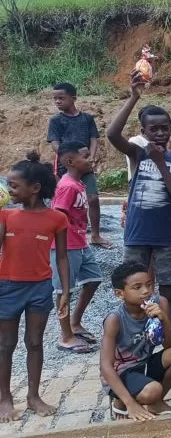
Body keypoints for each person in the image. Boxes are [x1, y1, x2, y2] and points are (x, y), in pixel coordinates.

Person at [107, 73, 171, 332]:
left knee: (169, 292)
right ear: (143, 132)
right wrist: (133, 97)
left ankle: (169, 342)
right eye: (154, 129)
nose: (161, 133)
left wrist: (162, 163)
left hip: (165, 236)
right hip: (136, 234)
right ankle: (136, 339)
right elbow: (112, 133)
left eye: (166, 127)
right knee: (133, 290)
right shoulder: (137, 153)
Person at [0, 153, 69, 422]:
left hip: (40, 287)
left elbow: (62, 257)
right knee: (5, 344)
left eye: (14, 186)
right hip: (7, 286)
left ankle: (33, 396)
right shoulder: (6, 215)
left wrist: (65, 291)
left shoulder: (56, 219)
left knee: (35, 342)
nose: (9, 191)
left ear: (35, 188)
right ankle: (4, 398)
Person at [100, 262, 171, 420]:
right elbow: (105, 366)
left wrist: (164, 319)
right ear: (120, 294)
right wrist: (130, 404)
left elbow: (169, 345)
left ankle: (156, 403)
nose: (146, 291)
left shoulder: (159, 303)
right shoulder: (115, 319)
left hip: (144, 364)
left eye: (149, 284)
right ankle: (121, 401)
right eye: (137, 287)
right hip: (122, 373)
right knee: (152, 390)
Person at [51, 143, 103, 353]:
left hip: (80, 243)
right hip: (66, 246)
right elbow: (58, 216)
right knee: (63, 290)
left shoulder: (78, 184)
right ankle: (65, 336)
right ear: (70, 161)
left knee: (94, 279)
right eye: (85, 156)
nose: (91, 159)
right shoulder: (67, 187)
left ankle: (74, 322)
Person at [46, 82, 110, 249]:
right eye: (55, 99)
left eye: (61, 98)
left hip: (85, 166)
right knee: (64, 202)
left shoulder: (87, 118)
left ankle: (95, 235)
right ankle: (62, 236)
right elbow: (54, 143)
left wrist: (92, 157)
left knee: (93, 198)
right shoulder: (56, 120)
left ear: (73, 98)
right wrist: (68, 158)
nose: (57, 101)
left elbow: (93, 139)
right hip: (65, 167)